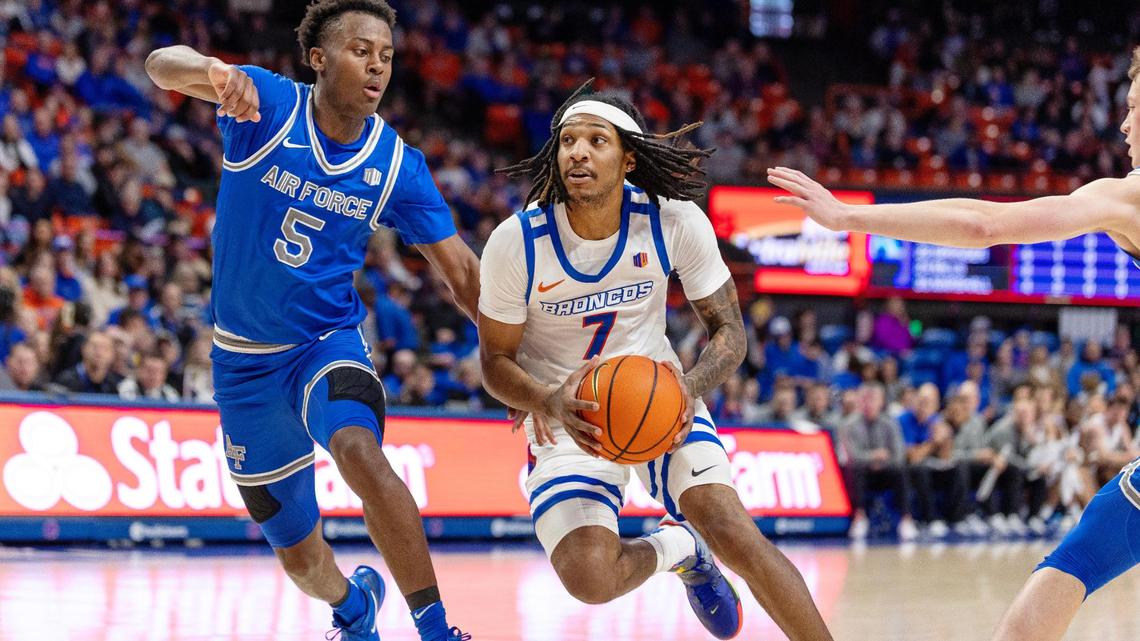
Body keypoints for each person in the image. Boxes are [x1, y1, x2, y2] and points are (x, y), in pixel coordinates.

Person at [767, 44, 1140, 641]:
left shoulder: (1129, 197)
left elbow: (982, 225)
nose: (1123, 124)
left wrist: (851, 219)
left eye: (1134, 106)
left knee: (1044, 603)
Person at [144, 2, 478, 640]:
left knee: (359, 450)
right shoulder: (268, 105)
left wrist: (517, 366)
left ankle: (435, 629)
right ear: (318, 58)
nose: (377, 65)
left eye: (386, 54)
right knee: (300, 559)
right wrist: (214, 71)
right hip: (242, 364)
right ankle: (354, 609)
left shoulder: (397, 164)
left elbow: (462, 274)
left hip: (325, 343)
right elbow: (161, 66)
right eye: (361, 50)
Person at [478, 81, 833, 641]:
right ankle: (678, 547)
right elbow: (494, 362)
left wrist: (688, 389)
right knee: (589, 578)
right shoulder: (515, 243)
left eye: (597, 141)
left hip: (660, 399)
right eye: (568, 141)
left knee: (735, 532)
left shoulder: (675, 221)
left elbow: (729, 334)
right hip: (566, 417)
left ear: (629, 158)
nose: (578, 152)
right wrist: (544, 398)